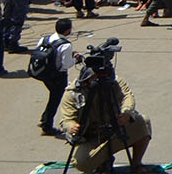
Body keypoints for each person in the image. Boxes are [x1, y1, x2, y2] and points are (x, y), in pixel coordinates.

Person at [59, 45, 153, 174]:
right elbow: (66, 118)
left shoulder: (113, 82)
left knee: (143, 121)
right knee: (81, 164)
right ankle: (102, 161)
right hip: (91, 136)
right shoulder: (74, 92)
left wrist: (126, 112)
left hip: (115, 128)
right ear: (87, 79)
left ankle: (136, 164)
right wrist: (72, 126)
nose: (100, 80)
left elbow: (127, 96)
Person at [29, 17, 77, 136]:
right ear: (67, 31)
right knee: (55, 100)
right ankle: (47, 126)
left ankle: (44, 119)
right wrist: (76, 59)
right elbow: (65, 65)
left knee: (52, 96)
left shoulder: (45, 39)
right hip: (58, 76)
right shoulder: (66, 45)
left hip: (44, 73)